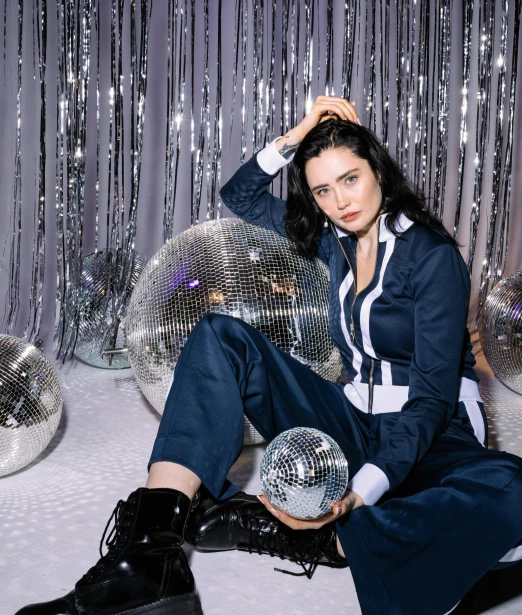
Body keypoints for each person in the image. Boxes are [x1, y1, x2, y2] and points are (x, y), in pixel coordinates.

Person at [16, 97, 522, 615]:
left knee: (511, 487)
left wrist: (357, 495)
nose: (340, 201)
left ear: (379, 172)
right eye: (323, 189)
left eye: (351, 178)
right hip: (347, 423)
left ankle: (329, 540)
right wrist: (298, 134)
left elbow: (431, 401)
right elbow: (240, 194)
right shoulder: (333, 241)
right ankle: (150, 556)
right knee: (219, 335)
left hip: (431, 435)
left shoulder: (433, 258)